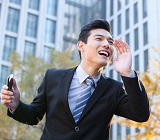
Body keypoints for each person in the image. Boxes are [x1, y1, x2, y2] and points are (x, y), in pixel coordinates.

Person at [1, 19, 150, 140]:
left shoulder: (114, 89)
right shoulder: (53, 77)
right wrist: (16, 105)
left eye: (110, 42)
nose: (107, 44)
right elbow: (34, 116)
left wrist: (127, 73)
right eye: (99, 39)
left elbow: (141, 114)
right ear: (81, 45)